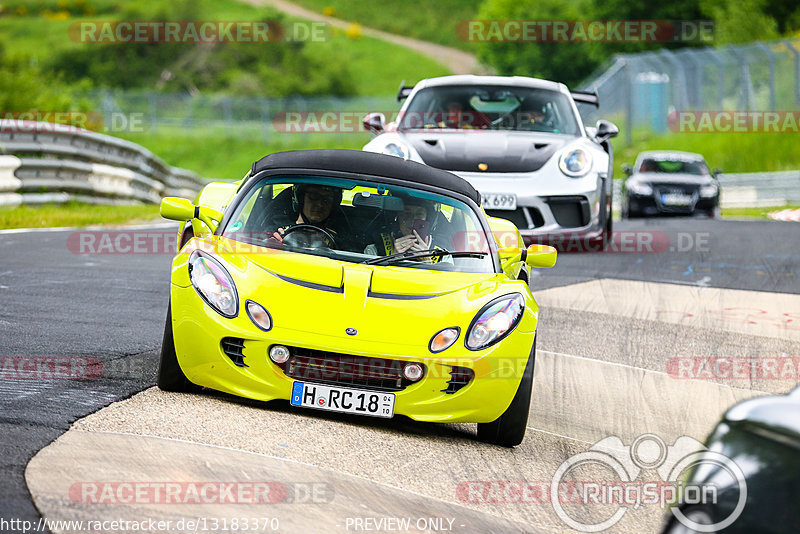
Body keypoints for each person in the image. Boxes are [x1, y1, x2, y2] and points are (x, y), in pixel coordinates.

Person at [365, 194, 441, 260]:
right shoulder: (375, 249)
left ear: (428, 219)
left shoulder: (441, 254)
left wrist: (427, 261)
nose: (412, 220)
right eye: (406, 213)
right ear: (397, 217)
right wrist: (393, 258)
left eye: (419, 214)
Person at [269, 183, 344, 246]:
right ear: (300, 200)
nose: (320, 204)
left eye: (327, 199)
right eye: (314, 196)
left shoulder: (340, 238)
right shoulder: (277, 230)